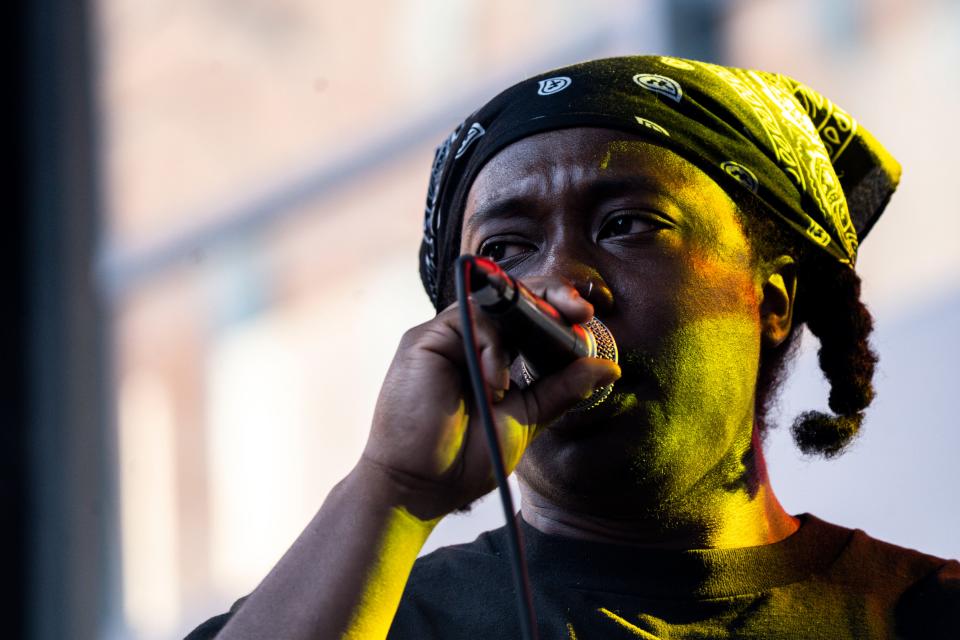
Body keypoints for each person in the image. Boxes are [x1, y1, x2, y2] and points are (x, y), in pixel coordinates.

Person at [187, 56, 958, 639]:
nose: (558, 280)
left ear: (773, 300)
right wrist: (392, 489)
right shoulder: (375, 617)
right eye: (508, 250)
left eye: (628, 224)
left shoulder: (924, 613)